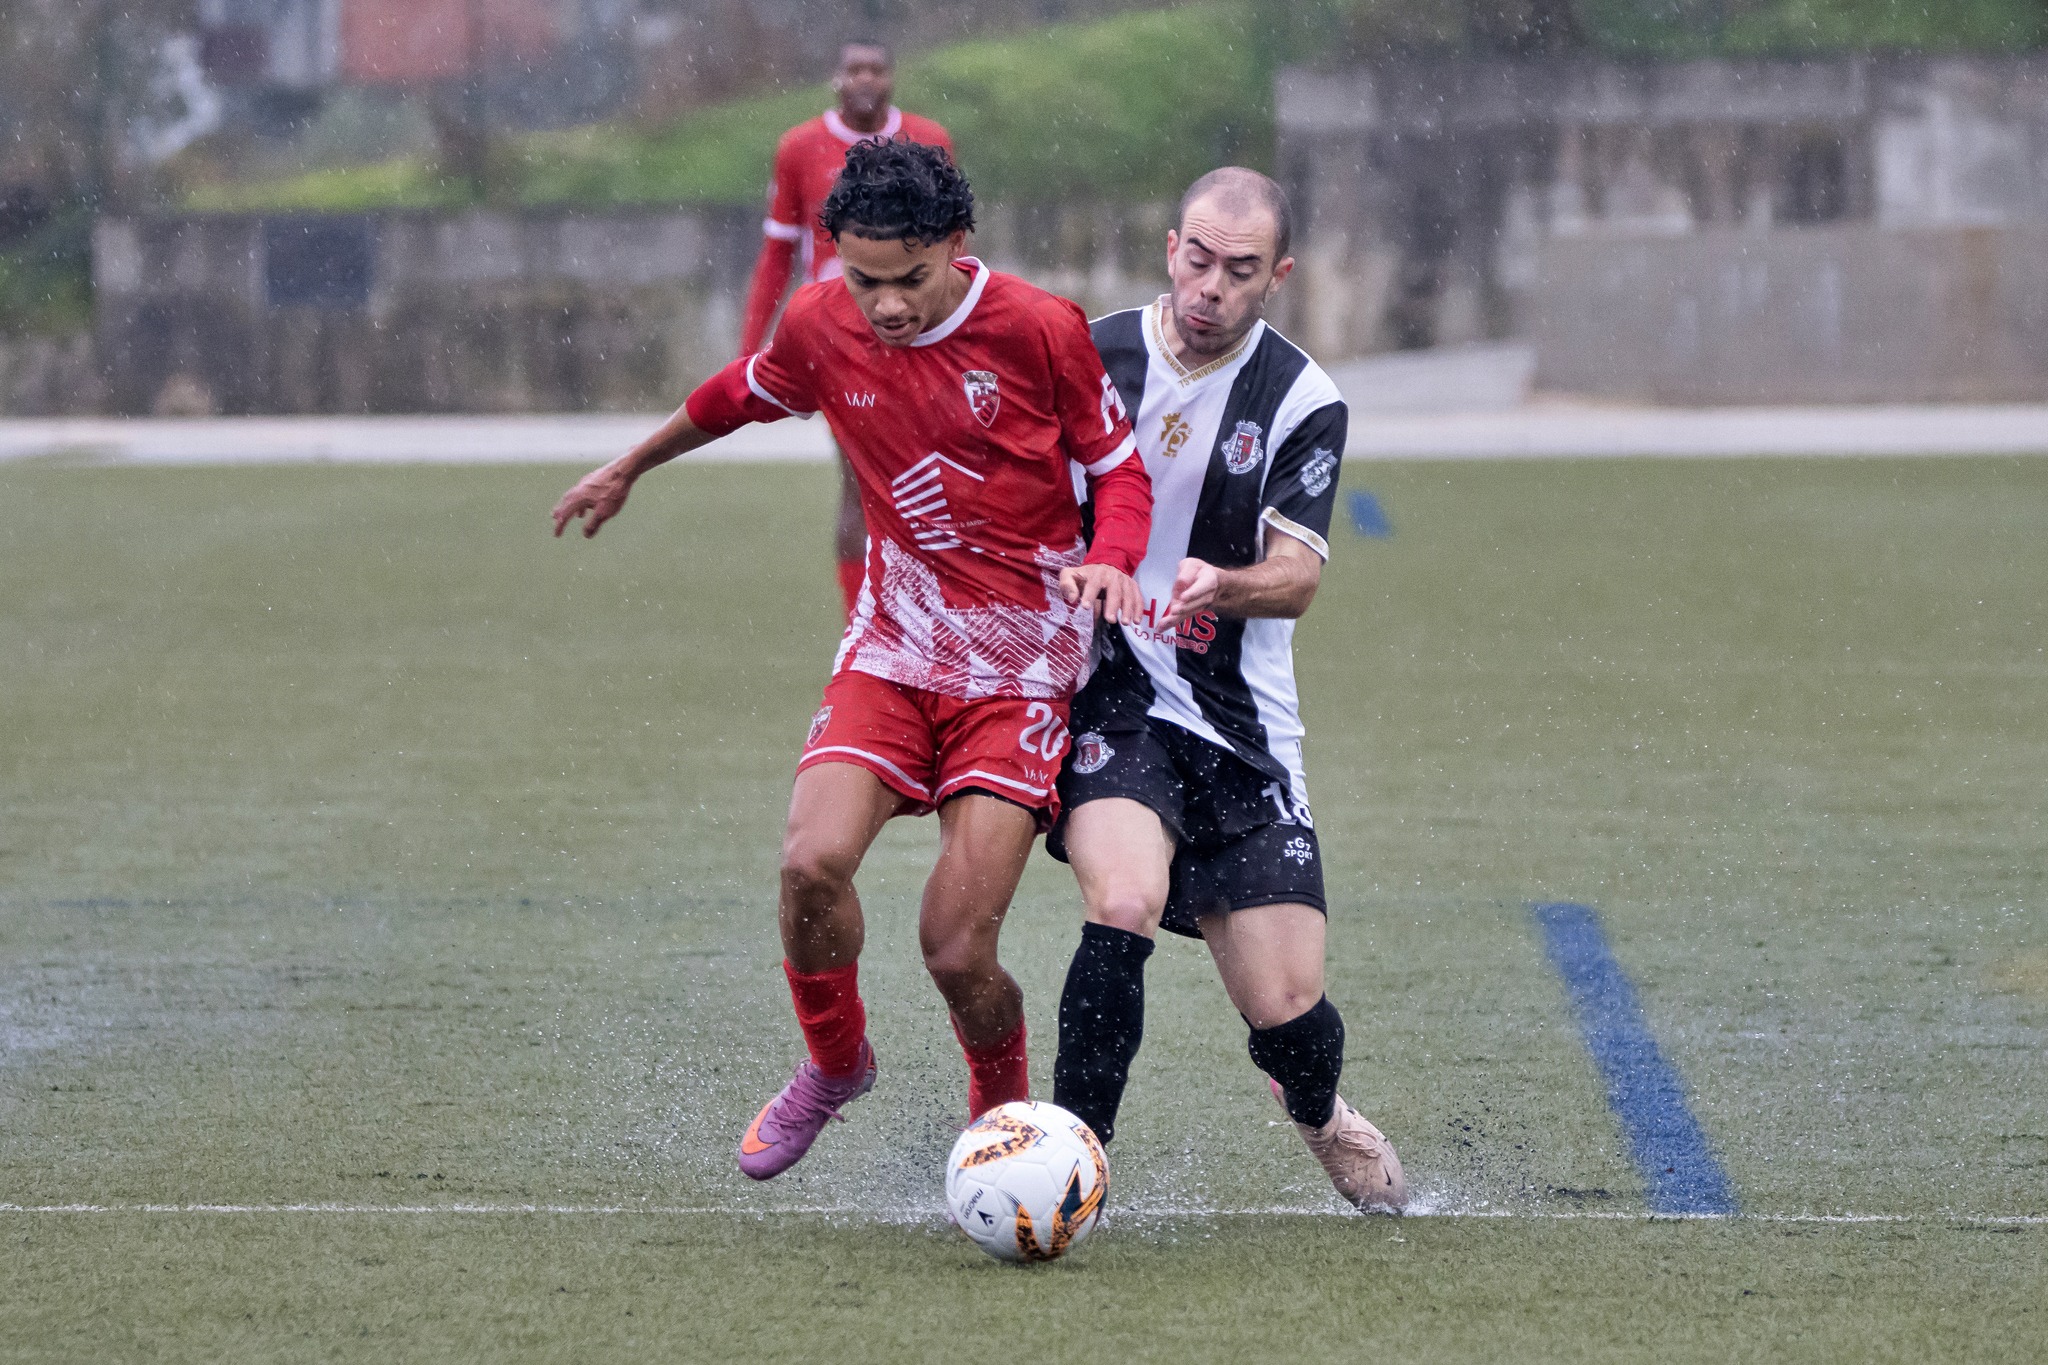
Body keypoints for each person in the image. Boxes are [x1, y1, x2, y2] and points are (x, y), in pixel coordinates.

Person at [552, 139, 1152, 1182]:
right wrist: (630, 465)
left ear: (956, 248)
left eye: (907, 280)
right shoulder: (820, 317)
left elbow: (1119, 468)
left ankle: (999, 1138)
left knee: (955, 948)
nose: (882, 305)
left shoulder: (1037, 328)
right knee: (807, 864)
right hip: (893, 642)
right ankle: (835, 1066)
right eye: (862, 279)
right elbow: (743, 391)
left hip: (1018, 668)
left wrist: (1109, 559)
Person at [1047, 167, 1407, 1212]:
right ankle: (1073, 1161)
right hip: (1114, 700)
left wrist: (1225, 582)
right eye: (1195, 260)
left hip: (1240, 726)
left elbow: (1296, 577)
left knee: (1289, 1012)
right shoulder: (1092, 355)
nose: (1209, 286)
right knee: (1120, 900)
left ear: (1276, 276)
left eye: (1238, 271)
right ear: (1170, 249)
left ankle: (1319, 1111)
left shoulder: (1302, 398)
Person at [740, 41, 954, 621]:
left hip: (922, 335)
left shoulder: (930, 141)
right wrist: (749, 348)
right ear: (836, 79)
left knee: (939, 480)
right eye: (853, 69)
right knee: (861, 482)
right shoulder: (800, 148)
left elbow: (954, 249)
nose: (864, 79)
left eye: (876, 68)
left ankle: (935, 616)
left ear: (892, 77)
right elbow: (776, 257)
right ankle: (862, 625)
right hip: (844, 342)